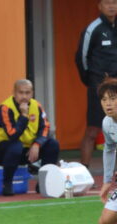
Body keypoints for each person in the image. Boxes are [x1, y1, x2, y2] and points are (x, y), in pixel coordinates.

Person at [0, 79, 60, 196]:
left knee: (53, 144)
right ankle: (7, 184)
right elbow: (13, 135)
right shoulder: (5, 108)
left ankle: (43, 183)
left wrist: (37, 144)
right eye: (21, 93)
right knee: (16, 145)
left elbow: (45, 127)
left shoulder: (37, 106)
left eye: (27, 93)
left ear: (32, 93)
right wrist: (24, 115)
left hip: (25, 150)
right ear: (14, 93)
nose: (24, 96)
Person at [80, 77, 117, 224]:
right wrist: (107, 181)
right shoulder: (107, 123)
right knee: (106, 221)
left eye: (113, 98)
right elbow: (109, 148)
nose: (108, 104)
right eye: (104, 99)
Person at [75, 0, 117, 168]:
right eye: (107, 3)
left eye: (114, 2)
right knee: (93, 130)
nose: (111, 6)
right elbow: (81, 58)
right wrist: (92, 81)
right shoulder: (93, 29)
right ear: (99, 6)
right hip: (99, 87)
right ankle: (84, 170)